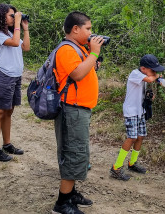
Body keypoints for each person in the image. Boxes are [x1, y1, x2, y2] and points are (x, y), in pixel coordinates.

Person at [52, 11, 104, 214]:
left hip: (79, 110)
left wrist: (92, 58)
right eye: (88, 28)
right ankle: (62, 204)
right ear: (75, 29)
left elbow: (84, 70)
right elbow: (77, 73)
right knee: (73, 154)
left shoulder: (78, 49)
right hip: (71, 111)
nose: (91, 33)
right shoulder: (66, 49)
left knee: (78, 152)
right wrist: (94, 53)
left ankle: (71, 193)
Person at [110, 54, 165, 181]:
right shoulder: (135, 73)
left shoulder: (144, 76)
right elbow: (151, 80)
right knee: (132, 137)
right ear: (143, 68)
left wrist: (149, 97)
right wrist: (157, 77)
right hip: (131, 111)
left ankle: (132, 163)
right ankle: (116, 167)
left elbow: (148, 82)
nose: (154, 72)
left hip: (140, 111)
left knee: (140, 137)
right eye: (152, 70)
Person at [0, 3, 30, 162]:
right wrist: (18, 24)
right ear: (1, 16)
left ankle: (7, 144)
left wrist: (24, 28)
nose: (14, 18)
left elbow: (25, 47)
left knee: (9, 111)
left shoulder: (13, 32)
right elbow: (13, 43)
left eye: (14, 15)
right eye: (11, 15)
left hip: (16, 76)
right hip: (4, 76)